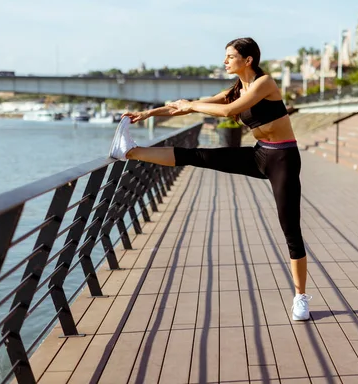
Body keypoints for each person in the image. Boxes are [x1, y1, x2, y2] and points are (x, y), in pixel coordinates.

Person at [109, 37, 312, 321]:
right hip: (260, 154)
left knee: (290, 228)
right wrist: (148, 113)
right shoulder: (234, 89)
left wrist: (193, 106)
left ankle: (300, 296)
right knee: (197, 156)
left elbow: (228, 112)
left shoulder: (265, 84)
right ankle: (130, 151)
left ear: (248, 59)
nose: (225, 61)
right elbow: (184, 106)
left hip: (284, 159)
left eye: (230, 56)